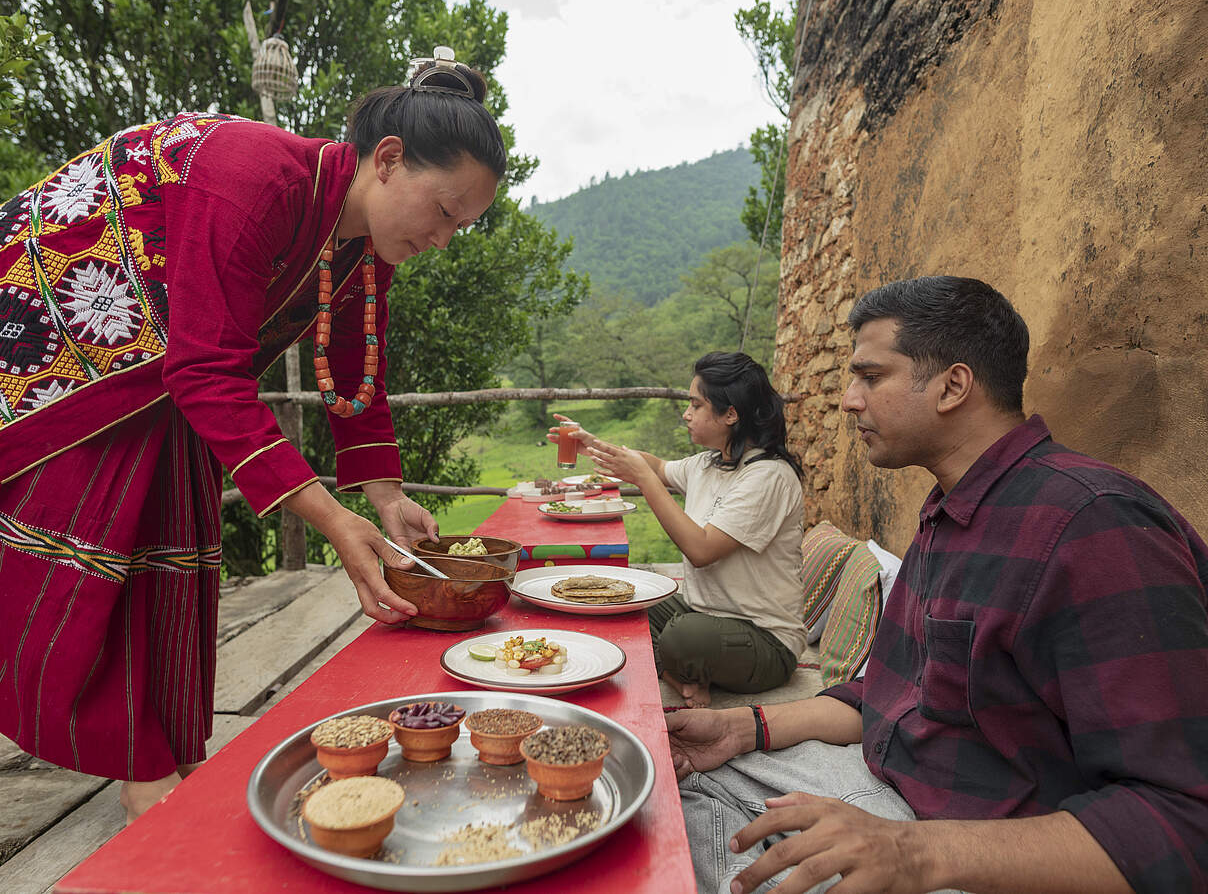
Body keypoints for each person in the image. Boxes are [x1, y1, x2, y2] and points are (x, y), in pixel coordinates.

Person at [0, 48, 505, 822]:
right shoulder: (251, 175)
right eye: (444, 213)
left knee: (170, 534)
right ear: (390, 161)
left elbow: (353, 365)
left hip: (160, 369)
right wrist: (337, 522)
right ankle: (143, 770)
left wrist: (384, 493)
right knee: (94, 543)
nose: (444, 239)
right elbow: (206, 370)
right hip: (69, 348)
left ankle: (151, 765)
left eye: (461, 228)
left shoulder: (364, 247)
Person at [667, 277, 1208, 894]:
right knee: (662, 785)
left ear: (953, 385)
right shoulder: (952, 511)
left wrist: (913, 854)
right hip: (888, 793)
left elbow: (1183, 824)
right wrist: (747, 728)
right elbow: (894, 696)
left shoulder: (1094, 526)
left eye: (871, 377)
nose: (848, 400)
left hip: (972, 851)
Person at [552, 351, 806, 707]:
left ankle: (682, 667)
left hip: (765, 640)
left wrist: (643, 480)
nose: (686, 414)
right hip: (704, 615)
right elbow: (656, 467)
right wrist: (591, 444)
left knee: (683, 637)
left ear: (730, 413)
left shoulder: (767, 476)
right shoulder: (709, 464)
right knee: (627, 604)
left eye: (696, 405)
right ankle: (686, 679)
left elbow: (700, 551)